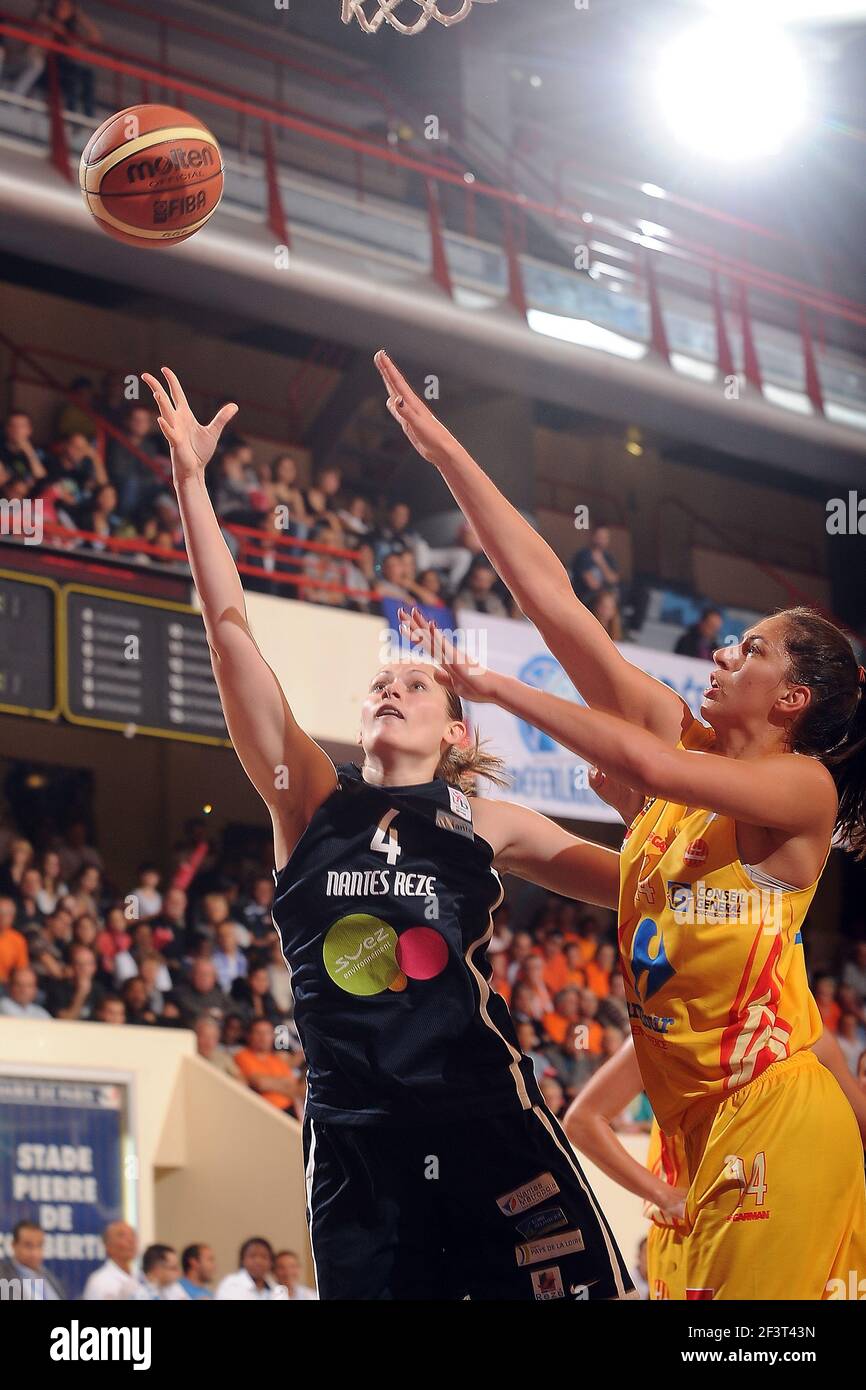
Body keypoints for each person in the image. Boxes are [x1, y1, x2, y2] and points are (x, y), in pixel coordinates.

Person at [375, 349, 866, 1301]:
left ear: (796, 695)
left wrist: (494, 686)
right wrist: (446, 455)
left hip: (773, 1112)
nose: (722, 651)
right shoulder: (683, 759)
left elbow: (645, 767)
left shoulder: (801, 790)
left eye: (750, 648)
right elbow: (553, 600)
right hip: (691, 1133)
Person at [142, 364, 635, 1302]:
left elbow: (642, 884)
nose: (389, 688)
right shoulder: (308, 799)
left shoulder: (486, 819)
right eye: (380, 683)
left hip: (483, 1113)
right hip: (357, 1137)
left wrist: (700, 832)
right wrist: (192, 484)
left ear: (456, 731)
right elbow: (230, 634)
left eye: (415, 684)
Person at [0, 1220, 66, 1300]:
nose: (35, 1253)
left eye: (39, 1245)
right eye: (28, 1245)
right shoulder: (4, 1277)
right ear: (14, 1245)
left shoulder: (49, 1277)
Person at [81, 1221, 140, 1300]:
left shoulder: (140, 1277)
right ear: (108, 1246)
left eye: (132, 1235)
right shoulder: (100, 1282)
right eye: (121, 1235)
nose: (131, 1240)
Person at [569, 522, 620, 605]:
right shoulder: (583, 556)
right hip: (585, 599)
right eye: (599, 537)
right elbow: (592, 583)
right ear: (592, 536)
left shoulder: (608, 557)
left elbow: (613, 580)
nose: (601, 540)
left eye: (605, 538)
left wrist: (601, 563)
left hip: (604, 600)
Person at [215, 1238, 279, 1300]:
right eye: (252, 1256)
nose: (258, 1261)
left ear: (271, 1262)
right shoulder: (230, 1285)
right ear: (243, 1260)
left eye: (264, 1256)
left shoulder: (276, 1289)